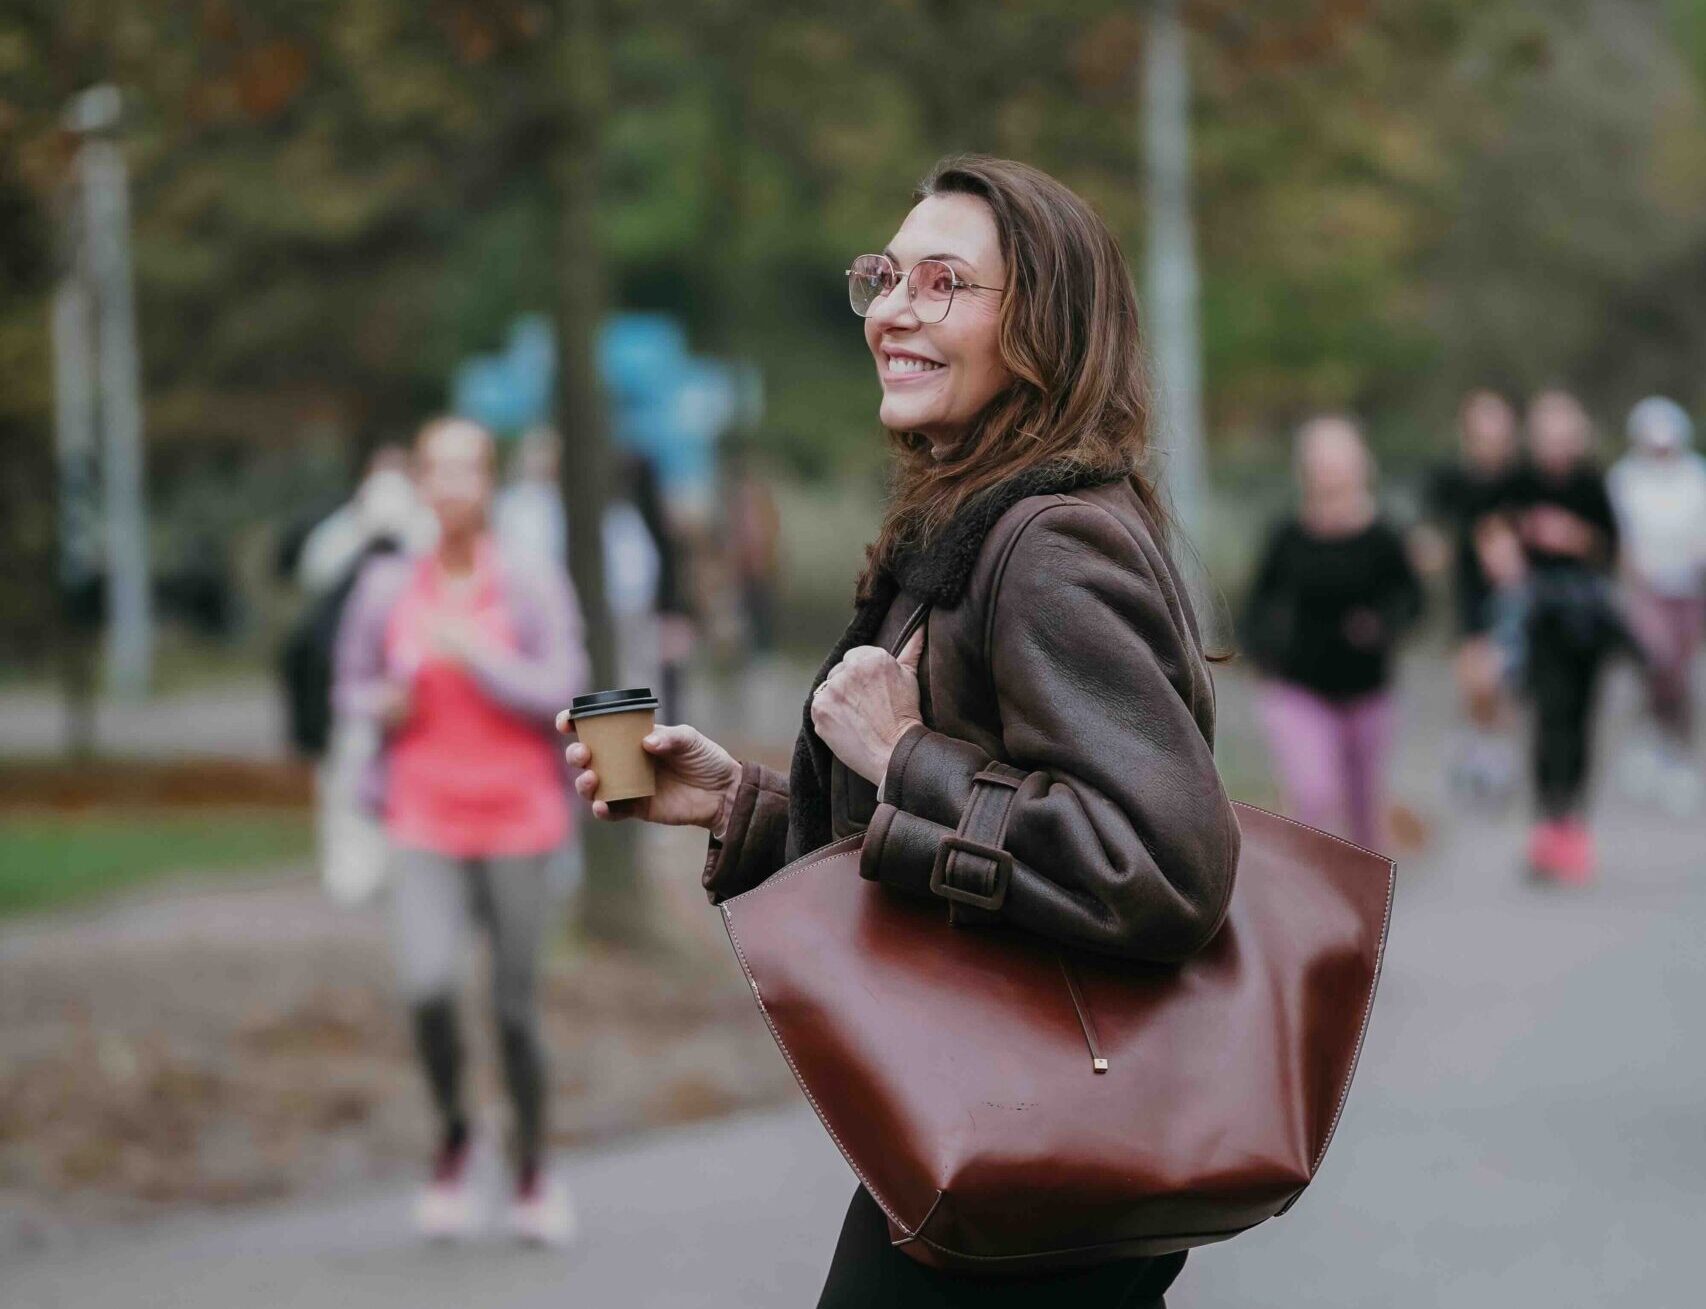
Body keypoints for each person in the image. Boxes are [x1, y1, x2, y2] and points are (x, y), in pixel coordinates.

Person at [560, 155, 1240, 1307]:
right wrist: (746, 803)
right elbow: (965, 853)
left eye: (941, 282)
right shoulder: (967, 528)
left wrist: (903, 754)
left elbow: (1164, 866)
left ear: (1043, 328)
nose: (892, 311)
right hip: (993, 1147)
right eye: (883, 276)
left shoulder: (1047, 546)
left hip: (1031, 1148)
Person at [335, 417, 588, 1243]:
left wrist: (478, 653)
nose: (451, 487)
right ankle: (454, 1132)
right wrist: (383, 704)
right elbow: (349, 689)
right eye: (436, 472)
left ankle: (531, 1168)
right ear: (418, 485)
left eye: (466, 471)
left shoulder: (528, 580)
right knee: (428, 987)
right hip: (421, 815)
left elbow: (564, 685)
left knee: (515, 1012)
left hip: (520, 817)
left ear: (488, 484)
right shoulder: (385, 586)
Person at [1241, 416, 1424, 850]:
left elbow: (1413, 602)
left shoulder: (1383, 537)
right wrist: (1263, 655)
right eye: (1321, 462)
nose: (1330, 471)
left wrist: (1382, 625)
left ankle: (1366, 908)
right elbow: (1258, 604)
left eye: (1339, 461)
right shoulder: (1287, 535)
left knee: (1364, 814)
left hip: (1367, 690)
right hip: (1298, 687)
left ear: (1361, 465)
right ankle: (1307, 905)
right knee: (1314, 796)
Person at [1504, 390, 1626, 883]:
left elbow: (1612, 549)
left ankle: (1572, 822)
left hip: (1586, 622)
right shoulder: (1521, 483)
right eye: (1546, 436)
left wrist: (1573, 536)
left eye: (1564, 436)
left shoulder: (1592, 485)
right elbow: (1493, 533)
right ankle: (1546, 823)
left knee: (1580, 719)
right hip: (1538, 621)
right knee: (1546, 718)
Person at [1422, 390, 1523, 803]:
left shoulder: (1523, 481)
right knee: (1476, 676)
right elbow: (1433, 528)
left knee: (1497, 675)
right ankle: (1481, 745)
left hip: (1517, 595)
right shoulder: (1451, 480)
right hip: (1469, 593)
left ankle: (1492, 748)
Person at [1607, 396, 1706, 814]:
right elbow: (1622, 536)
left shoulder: (1695, 476)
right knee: (1657, 661)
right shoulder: (1625, 478)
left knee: (1682, 673)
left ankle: (1677, 750)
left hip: (1688, 588)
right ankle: (1652, 737)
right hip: (1646, 590)